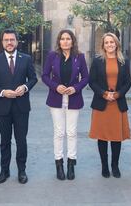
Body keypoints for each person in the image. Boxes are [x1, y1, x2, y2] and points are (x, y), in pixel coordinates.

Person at [0, 29, 37, 184]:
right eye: (6, 40)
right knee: (5, 140)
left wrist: (25, 87)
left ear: (16, 41)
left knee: (21, 140)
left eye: (12, 40)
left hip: (21, 107)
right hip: (3, 107)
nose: (9, 42)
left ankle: (22, 171)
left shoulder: (26, 59)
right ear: (2, 42)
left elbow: (33, 79)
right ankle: (4, 171)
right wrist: (2, 92)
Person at [41, 29, 88, 180]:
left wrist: (76, 88)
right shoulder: (52, 56)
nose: (65, 41)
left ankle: (71, 164)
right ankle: (59, 164)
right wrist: (56, 86)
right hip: (56, 99)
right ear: (59, 41)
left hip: (74, 98)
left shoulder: (79, 57)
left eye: (68, 39)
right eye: (62, 39)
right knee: (59, 132)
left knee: (72, 132)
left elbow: (86, 77)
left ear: (72, 41)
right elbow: (44, 75)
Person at [88, 33, 131, 178]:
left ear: (116, 43)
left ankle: (115, 166)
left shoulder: (124, 60)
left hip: (117, 103)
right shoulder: (98, 61)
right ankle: (105, 166)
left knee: (116, 136)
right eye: (106, 42)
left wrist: (118, 94)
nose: (109, 45)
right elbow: (92, 81)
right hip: (102, 103)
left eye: (112, 42)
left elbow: (128, 83)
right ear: (103, 45)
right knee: (102, 136)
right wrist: (104, 94)